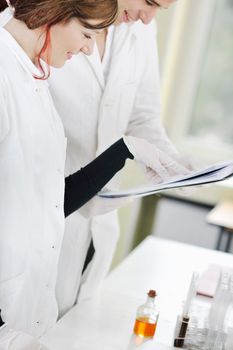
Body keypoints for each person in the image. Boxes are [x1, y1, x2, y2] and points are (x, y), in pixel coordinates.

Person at [0, 0, 191, 349]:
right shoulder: (10, 73)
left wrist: (124, 151)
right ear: (56, 12)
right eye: (87, 33)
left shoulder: (37, 77)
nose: (89, 46)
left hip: (38, 279)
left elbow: (50, 197)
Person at [48, 0, 194, 319]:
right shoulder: (50, 20)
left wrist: (175, 166)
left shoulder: (140, 32)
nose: (148, 18)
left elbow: (142, 116)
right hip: (49, 216)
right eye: (148, 2)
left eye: (161, 10)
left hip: (99, 223)